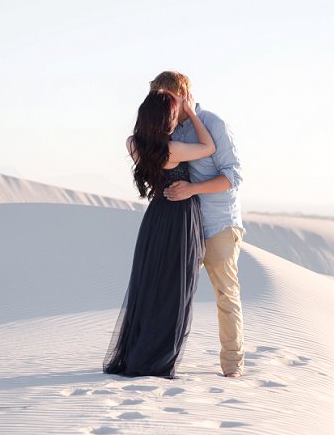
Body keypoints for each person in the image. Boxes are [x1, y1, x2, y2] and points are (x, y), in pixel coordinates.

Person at [103, 88, 217, 379]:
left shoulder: (134, 143)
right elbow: (209, 147)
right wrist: (191, 112)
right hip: (179, 218)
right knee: (173, 289)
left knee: (151, 286)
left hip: (155, 219)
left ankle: (141, 351)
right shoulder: (173, 149)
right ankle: (154, 358)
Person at [153, 71, 246, 378]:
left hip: (219, 224)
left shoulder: (214, 124)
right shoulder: (169, 132)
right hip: (185, 227)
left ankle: (232, 366)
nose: (162, 104)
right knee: (174, 294)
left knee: (225, 293)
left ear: (183, 96)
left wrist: (191, 190)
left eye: (167, 98)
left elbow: (233, 177)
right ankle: (162, 360)